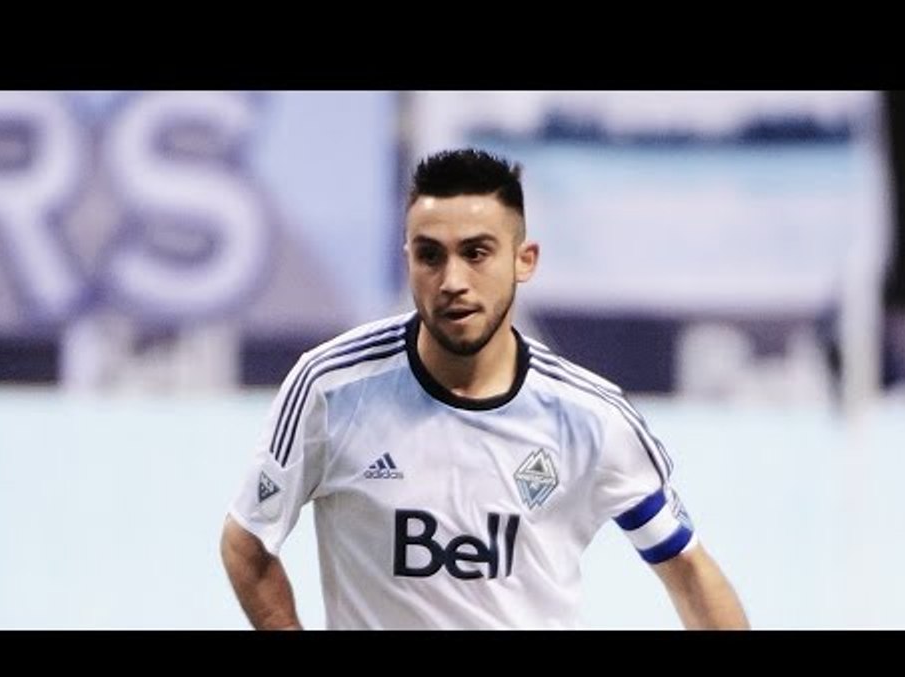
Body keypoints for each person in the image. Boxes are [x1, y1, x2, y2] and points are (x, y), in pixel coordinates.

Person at [220, 148, 749, 630]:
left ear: (525, 260)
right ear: (408, 260)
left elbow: (689, 569)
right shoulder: (330, 387)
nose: (452, 280)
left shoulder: (593, 417)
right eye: (431, 255)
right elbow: (247, 544)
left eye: (476, 253)